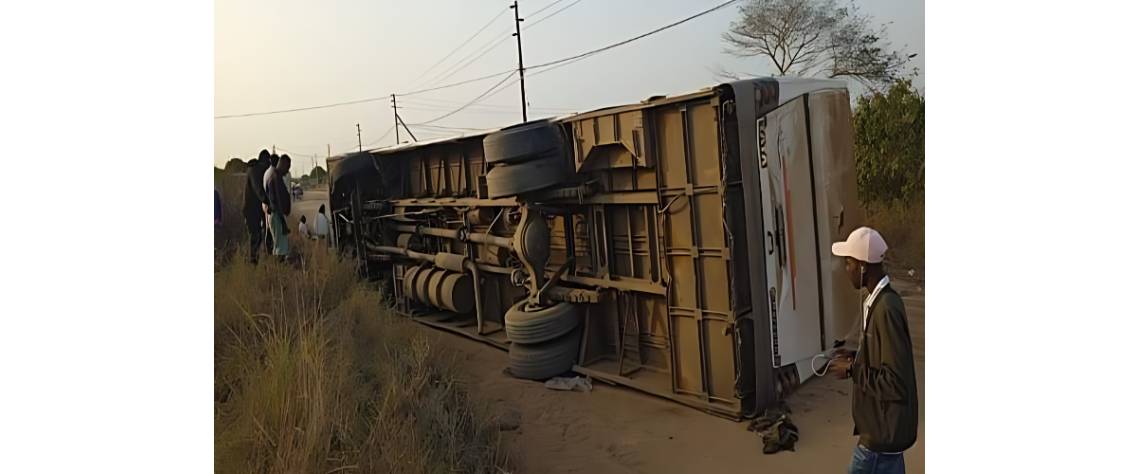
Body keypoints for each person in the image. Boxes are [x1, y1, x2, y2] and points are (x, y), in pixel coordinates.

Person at [829, 227, 918, 474]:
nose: (845, 269)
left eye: (848, 263)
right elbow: (883, 359)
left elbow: (895, 381)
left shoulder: (886, 308)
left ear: (862, 267)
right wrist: (857, 358)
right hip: (883, 434)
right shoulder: (876, 302)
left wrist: (853, 370)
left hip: (879, 438)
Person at [243, 150, 272, 263]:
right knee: (255, 237)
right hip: (251, 210)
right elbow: (259, 190)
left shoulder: (256, 169)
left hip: (256, 209)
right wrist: (269, 202)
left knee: (259, 236)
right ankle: (253, 263)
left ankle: (256, 260)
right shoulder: (254, 170)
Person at [264, 154, 292, 259]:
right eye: (287, 167)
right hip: (277, 216)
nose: (287, 171)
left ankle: (278, 270)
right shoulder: (275, 177)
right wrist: (283, 223)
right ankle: (279, 270)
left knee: (279, 247)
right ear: (283, 164)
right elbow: (277, 203)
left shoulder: (276, 176)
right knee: (281, 250)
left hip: (277, 216)